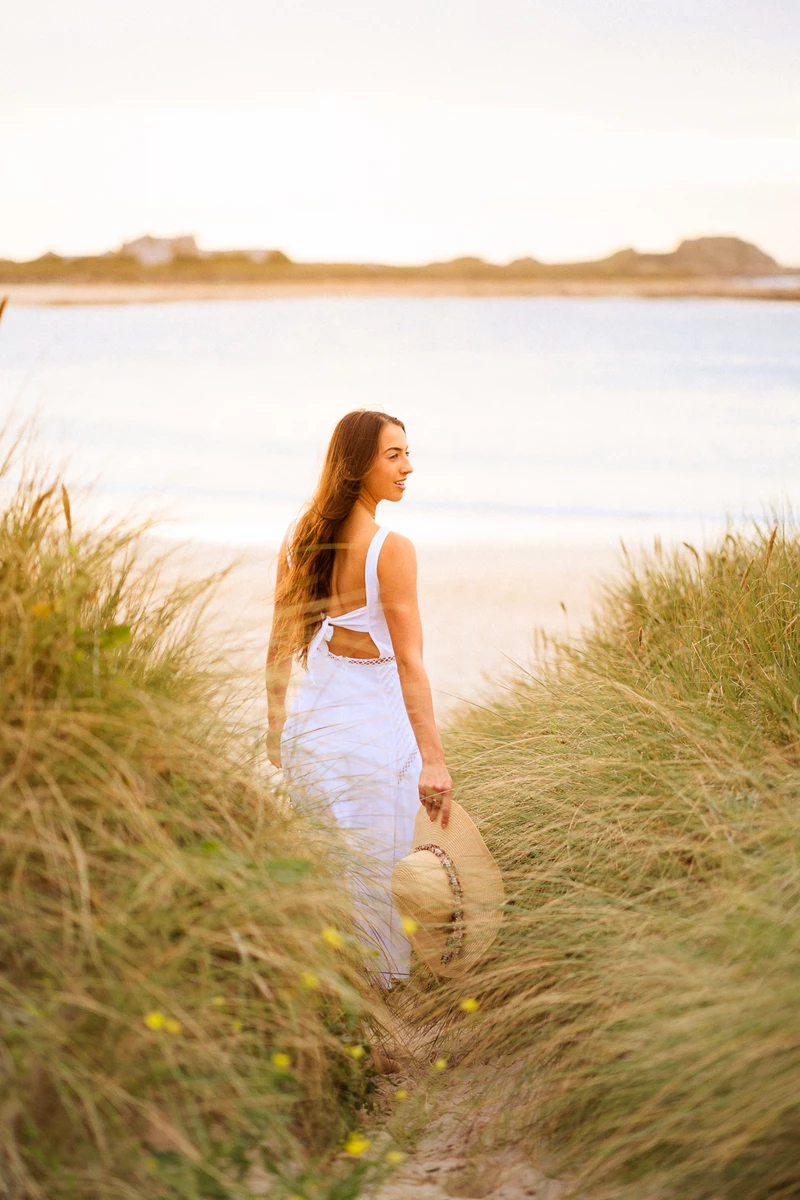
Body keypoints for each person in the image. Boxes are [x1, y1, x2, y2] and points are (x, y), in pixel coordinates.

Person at [266, 409, 452, 988]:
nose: (408, 467)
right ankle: (375, 1026)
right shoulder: (390, 548)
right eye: (393, 455)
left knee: (329, 875)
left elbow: (276, 648)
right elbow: (410, 666)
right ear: (358, 465)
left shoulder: (302, 538)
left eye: (406, 453)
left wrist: (276, 730)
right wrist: (435, 759)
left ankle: (335, 1006)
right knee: (376, 878)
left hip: (312, 734)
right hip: (370, 737)